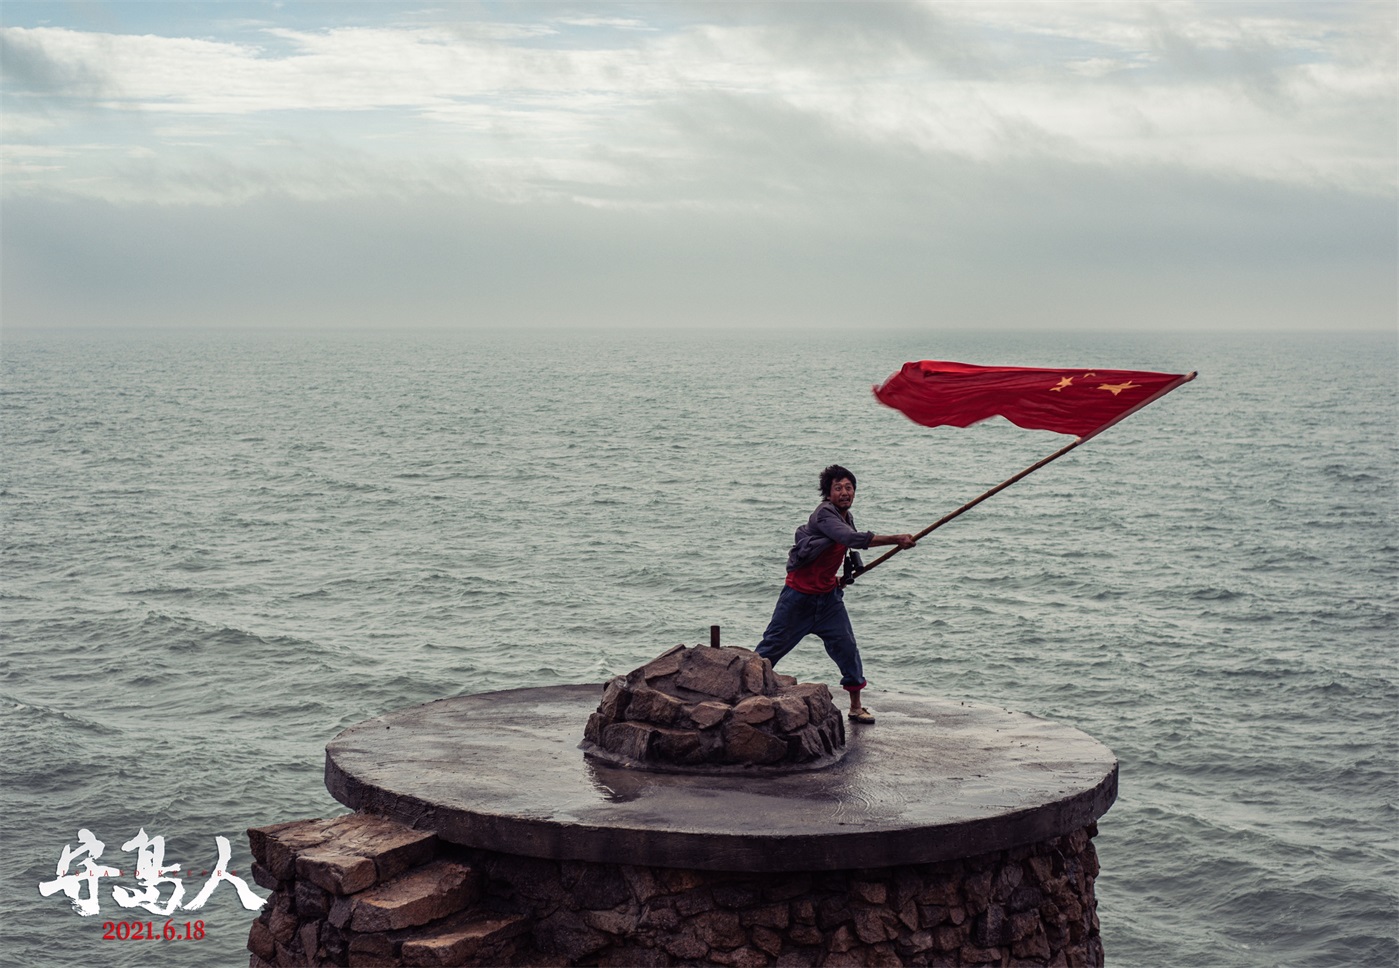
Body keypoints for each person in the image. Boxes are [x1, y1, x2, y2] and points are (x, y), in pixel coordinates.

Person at [756, 464, 915, 724]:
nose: (844, 492)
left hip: (829, 599)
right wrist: (896, 538)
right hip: (798, 599)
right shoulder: (824, 515)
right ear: (828, 494)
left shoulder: (846, 517)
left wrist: (838, 578)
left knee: (847, 649)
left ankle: (855, 707)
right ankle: (742, 689)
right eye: (838, 488)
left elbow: (835, 551)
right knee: (769, 649)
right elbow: (850, 539)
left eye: (849, 487)